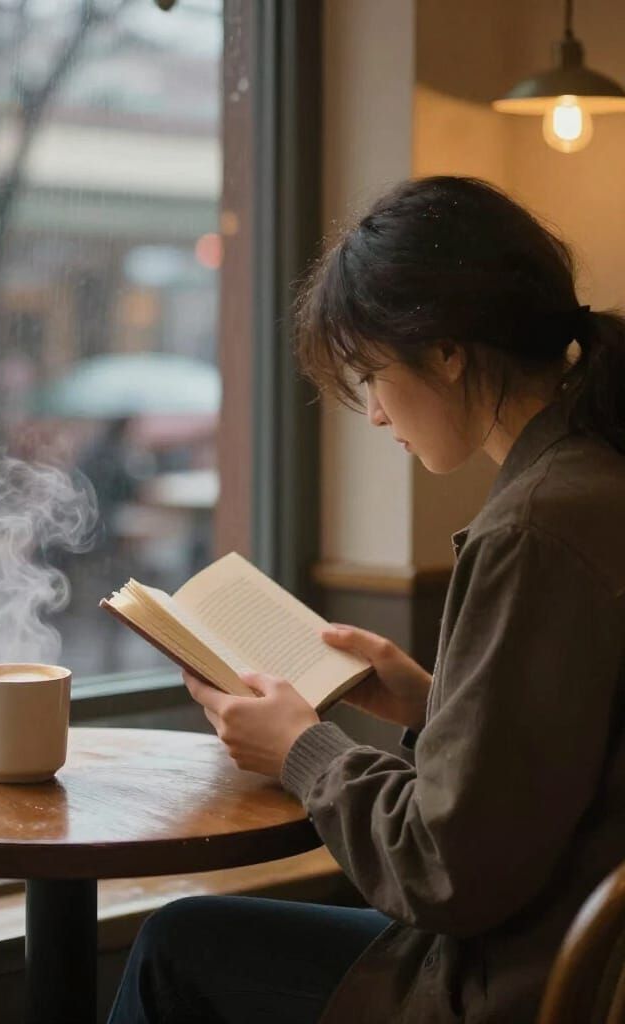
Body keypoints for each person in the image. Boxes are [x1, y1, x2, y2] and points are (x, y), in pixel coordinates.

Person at [106, 175, 625, 1024]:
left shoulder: (535, 527)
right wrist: (430, 700)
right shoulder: (594, 475)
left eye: (373, 375)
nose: (377, 416)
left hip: (523, 986)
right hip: (567, 953)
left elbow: (443, 871)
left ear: (449, 350)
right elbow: (578, 758)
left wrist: (302, 751)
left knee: (177, 948)